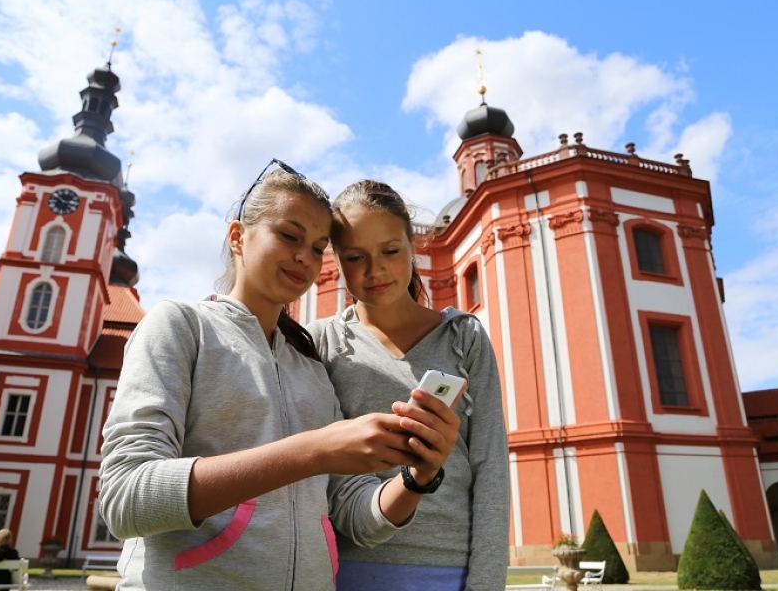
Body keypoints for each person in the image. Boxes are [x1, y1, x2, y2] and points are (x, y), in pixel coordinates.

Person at [99, 161, 461, 591]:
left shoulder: (312, 366)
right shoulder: (179, 326)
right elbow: (125, 498)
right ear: (238, 237)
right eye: (289, 236)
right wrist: (313, 451)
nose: (305, 259)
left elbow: (352, 513)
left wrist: (417, 478)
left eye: (318, 247)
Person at [306, 180, 510, 591]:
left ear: (412, 247)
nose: (374, 269)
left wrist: (486, 582)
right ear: (338, 262)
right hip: (345, 567)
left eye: (390, 252)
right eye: (355, 257)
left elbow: (490, 465)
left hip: (448, 567)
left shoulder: (463, 336)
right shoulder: (320, 342)